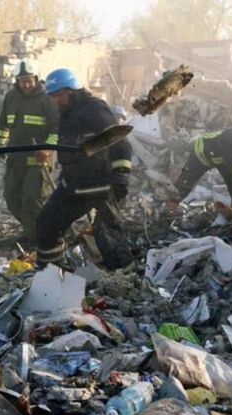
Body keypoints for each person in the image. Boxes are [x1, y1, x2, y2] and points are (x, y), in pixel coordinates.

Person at [36, 68, 133, 270]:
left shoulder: (94, 109)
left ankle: (123, 278)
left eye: (60, 95)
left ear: (72, 90)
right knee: (47, 225)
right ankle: (51, 272)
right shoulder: (65, 114)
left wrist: (121, 176)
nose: (56, 100)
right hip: (72, 185)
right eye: (53, 96)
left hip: (100, 187)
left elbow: (120, 143)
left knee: (108, 237)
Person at [0, 59, 59, 243]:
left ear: (36, 78)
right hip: (15, 158)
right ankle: (34, 230)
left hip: (38, 160)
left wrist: (47, 148)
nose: (26, 85)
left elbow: (57, 128)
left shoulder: (47, 98)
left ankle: (41, 239)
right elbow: (3, 126)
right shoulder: (11, 97)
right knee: (11, 198)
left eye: (29, 80)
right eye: (22, 81)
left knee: (32, 199)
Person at [168, 125, 232, 210]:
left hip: (221, 159)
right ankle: (170, 205)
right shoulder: (226, 141)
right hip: (201, 155)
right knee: (186, 181)